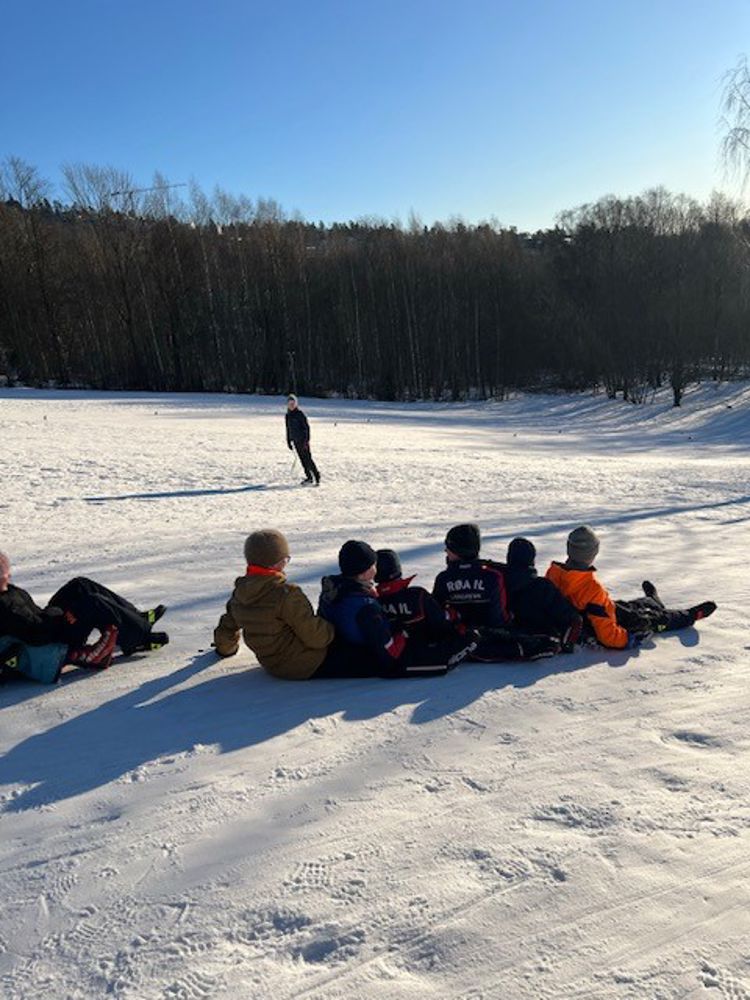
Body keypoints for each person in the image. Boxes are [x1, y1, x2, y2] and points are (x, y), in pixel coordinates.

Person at [0, 550, 168, 680]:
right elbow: (37, 634)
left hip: (49, 622)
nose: (8, 573)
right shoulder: (5, 606)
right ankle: (137, 638)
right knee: (91, 602)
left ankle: (136, 618)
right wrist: (59, 614)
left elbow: (34, 614)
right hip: (53, 642)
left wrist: (55, 613)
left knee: (80, 585)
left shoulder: (11, 591)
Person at [545, 525, 717, 650]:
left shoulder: (554, 572)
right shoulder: (590, 588)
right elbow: (608, 635)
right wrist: (628, 639)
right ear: (592, 554)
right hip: (594, 625)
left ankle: (651, 600)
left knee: (627, 606)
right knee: (653, 619)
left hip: (593, 613)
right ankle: (690, 615)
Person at [318, 540, 476, 676]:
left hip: (344, 650)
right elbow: (390, 655)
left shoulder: (333, 592)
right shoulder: (365, 606)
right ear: (366, 572)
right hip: (366, 658)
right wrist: (403, 631)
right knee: (456, 645)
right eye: (374, 563)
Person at [432, 524, 560, 661]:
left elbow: (436, 612)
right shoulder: (492, 576)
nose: (446, 551)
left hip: (458, 635)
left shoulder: (443, 578)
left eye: (448, 548)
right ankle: (526, 648)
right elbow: (499, 617)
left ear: (456, 550)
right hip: (490, 634)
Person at [503, 537, 582, 650]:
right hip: (542, 637)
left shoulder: (498, 582)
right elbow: (568, 616)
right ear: (532, 560)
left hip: (507, 636)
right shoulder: (543, 586)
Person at [285, 394, 320, 486]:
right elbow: (288, 429)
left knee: (308, 459)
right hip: (296, 441)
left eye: (293, 403)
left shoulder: (300, 414)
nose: (291, 405)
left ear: (296, 404)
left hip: (303, 441)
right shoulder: (288, 416)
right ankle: (309, 477)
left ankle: (316, 476)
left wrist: (306, 441)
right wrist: (289, 440)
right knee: (302, 460)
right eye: (290, 404)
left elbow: (306, 428)